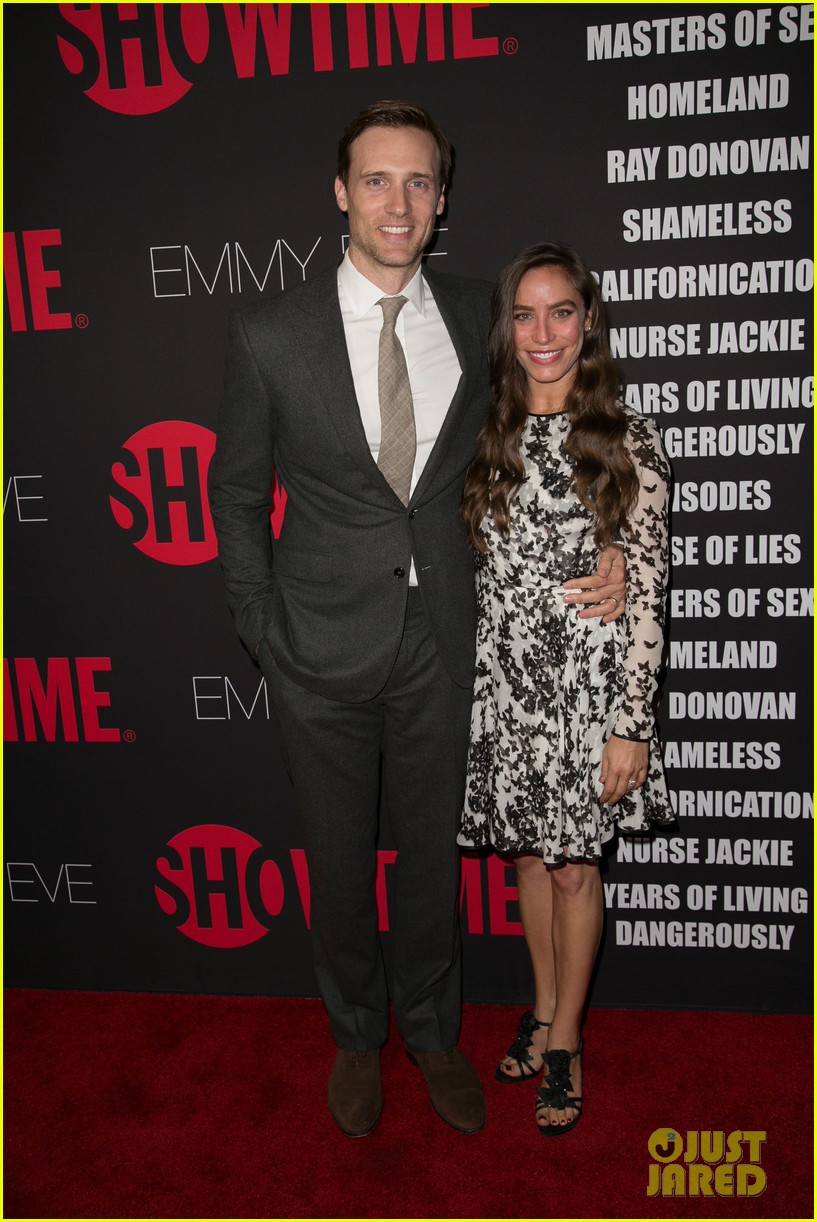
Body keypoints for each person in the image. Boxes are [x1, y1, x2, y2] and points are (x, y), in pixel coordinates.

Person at [210, 104, 626, 1139]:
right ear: (340, 191)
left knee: (433, 868)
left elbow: (560, 430)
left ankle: (434, 1034)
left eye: (421, 182)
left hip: (450, 637)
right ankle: (357, 1034)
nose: (401, 202)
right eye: (378, 180)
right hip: (316, 644)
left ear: (441, 198)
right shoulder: (270, 333)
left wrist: (613, 534)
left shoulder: (483, 309)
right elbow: (234, 491)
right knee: (341, 865)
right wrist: (264, 630)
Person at [459, 243, 673, 1135]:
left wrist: (630, 725)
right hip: (508, 685)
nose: (542, 333)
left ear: (589, 322)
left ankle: (566, 1043)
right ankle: (543, 1008)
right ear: (506, 330)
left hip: (587, 696)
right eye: (524, 314)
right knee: (527, 862)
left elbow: (650, 593)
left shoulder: (627, 439)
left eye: (560, 312)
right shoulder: (484, 431)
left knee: (576, 869)